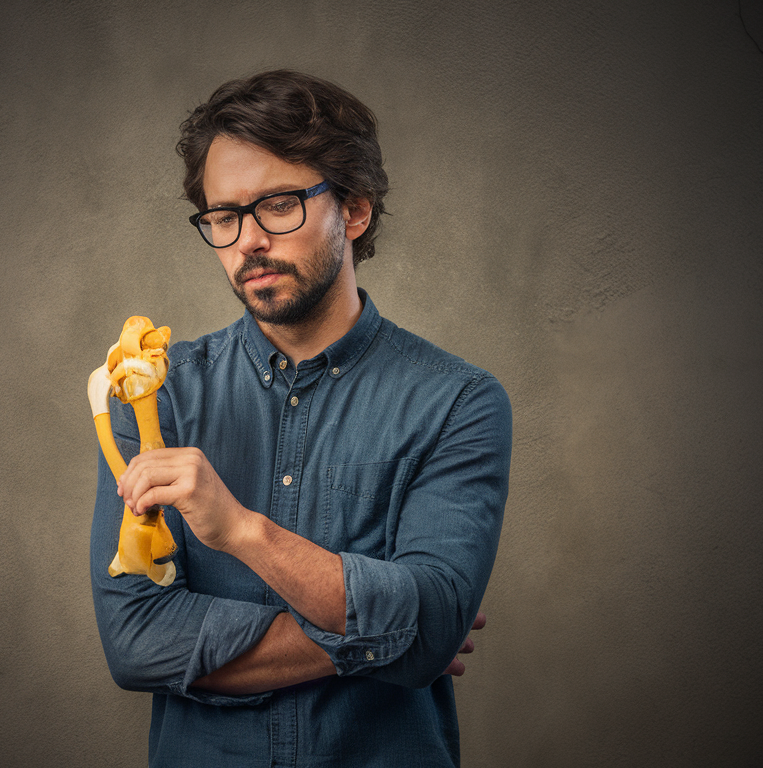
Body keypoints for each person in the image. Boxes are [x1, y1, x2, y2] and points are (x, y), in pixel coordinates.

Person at [90, 70, 511, 767]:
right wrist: (383, 634)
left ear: (354, 210)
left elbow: (431, 625)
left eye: (278, 205)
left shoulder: (458, 403)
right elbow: (135, 641)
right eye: (223, 216)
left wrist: (242, 531)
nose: (247, 241)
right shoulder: (151, 397)